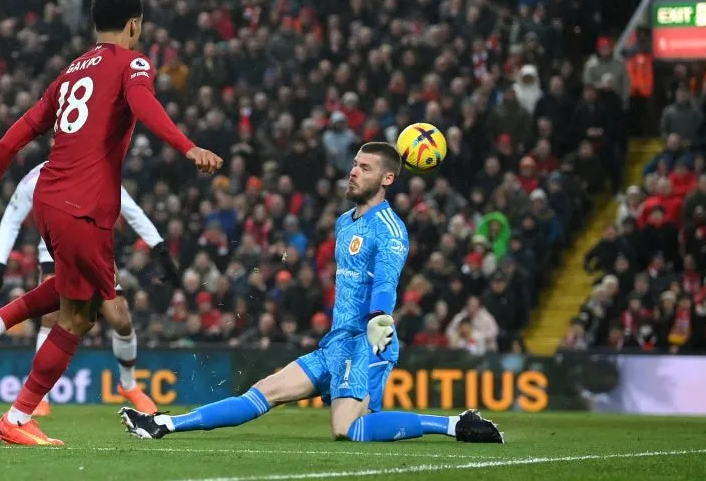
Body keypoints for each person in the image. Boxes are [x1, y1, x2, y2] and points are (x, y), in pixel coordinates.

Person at [0, 0, 222, 446]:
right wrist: (189, 146)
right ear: (135, 24)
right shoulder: (133, 63)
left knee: (70, 291)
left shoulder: (67, 75)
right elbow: (143, 105)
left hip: (49, 198)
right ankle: (17, 418)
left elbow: (10, 139)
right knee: (80, 317)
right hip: (83, 207)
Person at [120, 143, 503, 444]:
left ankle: (454, 423)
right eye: (354, 164)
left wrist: (379, 321)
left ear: (388, 179)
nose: (353, 171)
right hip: (335, 343)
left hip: (367, 342)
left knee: (346, 430)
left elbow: (387, 281)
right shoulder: (343, 222)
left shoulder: (390, 227)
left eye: (364, 168)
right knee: (262, 392)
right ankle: (162, 423)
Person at [0, 160, 180, 416]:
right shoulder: (37, 178)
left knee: (120, 318)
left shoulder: (98, 171)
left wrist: (159, 249)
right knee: (52, 317)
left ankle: (128, 385)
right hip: (55, 254)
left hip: (95, 253)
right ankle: (37, 396)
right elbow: (11, 219)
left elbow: (132, 211)